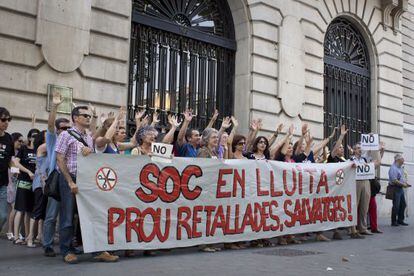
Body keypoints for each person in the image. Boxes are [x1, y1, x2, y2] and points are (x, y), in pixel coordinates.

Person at [56, 105, 118, 264]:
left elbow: (91, 156)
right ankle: (66, 250)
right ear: (75, 118)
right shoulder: (65, 135)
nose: (88, 118)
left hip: (86, 180)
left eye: (89, 116)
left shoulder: (89, 137)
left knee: (91, 215)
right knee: (68, 217)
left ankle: (97, 250)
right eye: (85, 115)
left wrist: (88, 152)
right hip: (71, 178)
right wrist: (69, 181)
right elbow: (60, 159)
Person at [13, 128, 39, 244]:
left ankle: (28, 236)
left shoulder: (39, 149)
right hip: (23, 181)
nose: (34, 137)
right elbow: (16, 163)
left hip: (35, 183)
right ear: (29, 137)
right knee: (20, 209)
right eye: (33, 135)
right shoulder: (23, 148)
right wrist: (28, 172)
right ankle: (16, 237)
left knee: (29, 210)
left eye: (37, 136)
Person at [26, 130, 48, 248]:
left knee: (43, 212)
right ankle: (30, 237)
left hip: (47, 184)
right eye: (48, 136)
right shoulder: (42, 148)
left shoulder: (50, 149)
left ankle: (40, 235)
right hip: (40, 183)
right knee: (38, 209)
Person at [6, 132, 24, 241]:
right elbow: (12, 169)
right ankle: (9, 231)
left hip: (17, 183)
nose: (21, 143)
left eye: (22, 141)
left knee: (17, 208)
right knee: (14, 208)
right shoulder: (11, 154)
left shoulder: (19, 153)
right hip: (10, 183)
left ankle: (16, 231)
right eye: (19, 141)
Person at [0, 107, 14, 236]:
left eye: (8, 120)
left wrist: (15, 170)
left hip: (2, 183)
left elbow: (10, 159)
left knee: (3, 216)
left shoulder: (9, 138)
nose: (6, 122)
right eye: (3, 119)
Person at [389, 154, 411, 226]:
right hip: (395, 188)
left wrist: (405, 183)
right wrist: (403, 184)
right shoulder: (393, 168)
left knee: (403, 204)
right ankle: (393, 221)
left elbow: (401, 179)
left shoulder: (400, 168)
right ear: (398, 160)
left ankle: (400, 220)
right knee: (396, 205)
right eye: (402, 159)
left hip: (400, 188)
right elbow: (394, 180)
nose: (403, 160)